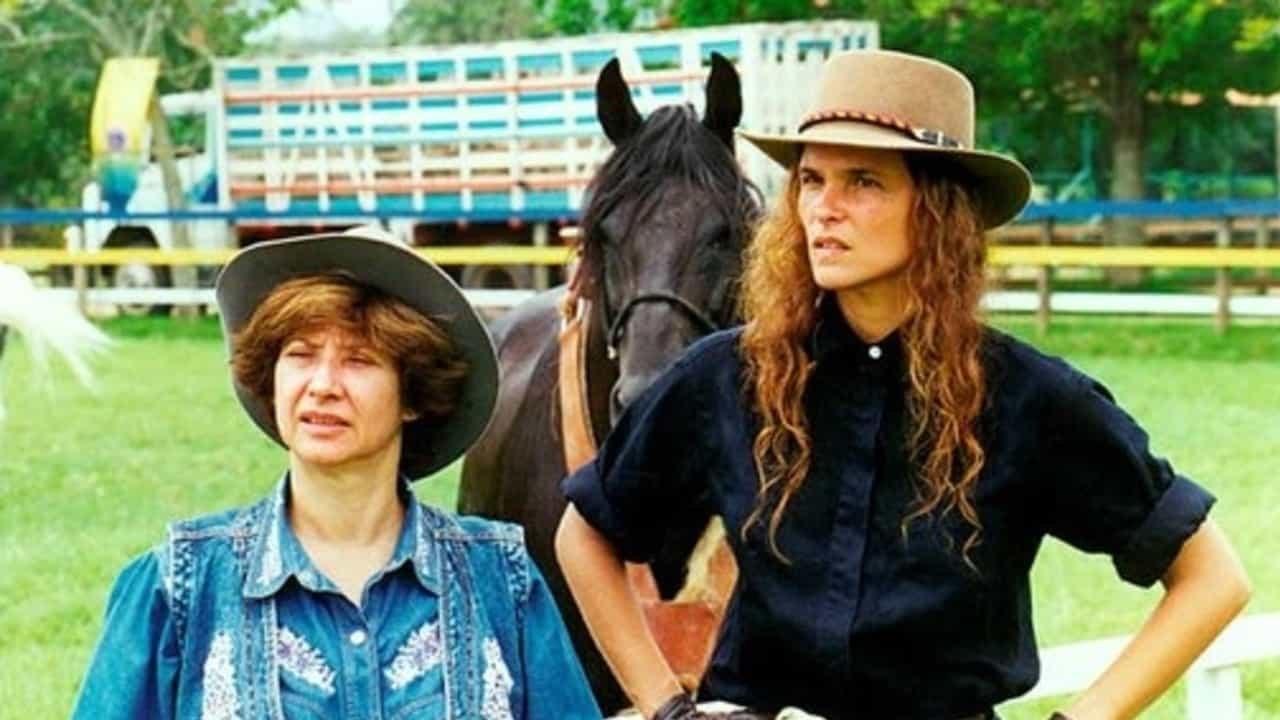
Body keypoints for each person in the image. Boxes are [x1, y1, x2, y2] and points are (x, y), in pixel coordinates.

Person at [555, 50, 1251, 720]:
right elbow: (583, 535)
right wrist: (669, 709)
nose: (824, 207)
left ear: (938, 210)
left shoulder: (1032, 400)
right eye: (812, 179)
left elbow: (1213, 579)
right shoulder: (726, 376)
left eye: (864, 181)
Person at [72, 227, 600, 719]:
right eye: (300, 355)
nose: (322, 384)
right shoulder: (179, 589)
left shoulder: (502, 584)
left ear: (413, 396)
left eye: (359, 360)